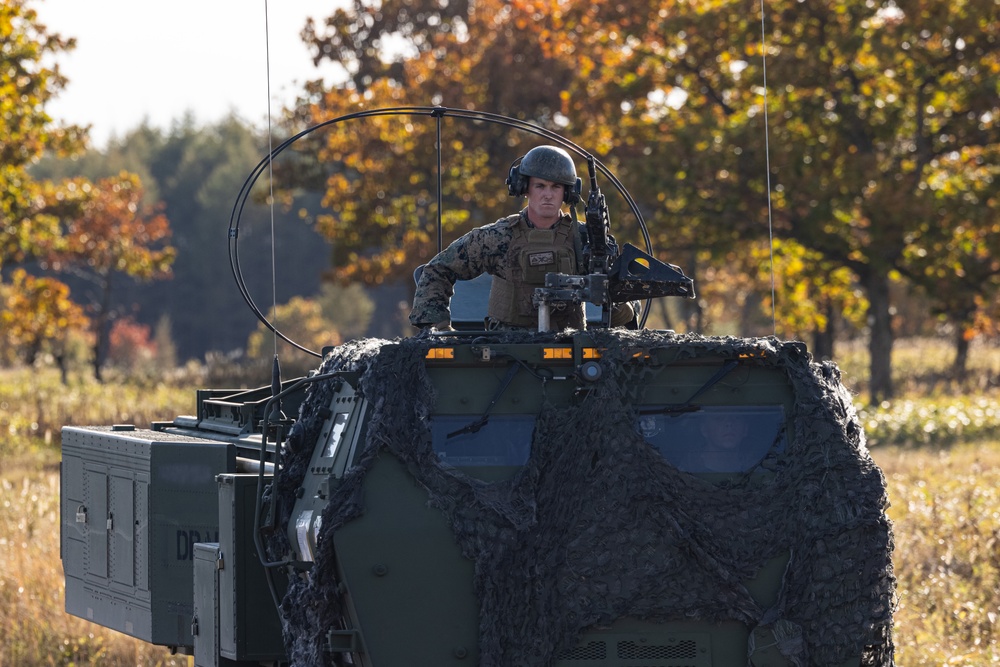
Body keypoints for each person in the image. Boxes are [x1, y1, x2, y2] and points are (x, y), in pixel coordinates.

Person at [409, 145, 636, 331]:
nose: (548, 194)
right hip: (505, 353)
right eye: (540, 186)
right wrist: (438, 327)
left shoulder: (587, 241)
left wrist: (615, 299)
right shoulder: (497, 238)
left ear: (567, 193)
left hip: (571, 351)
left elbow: (622, 297)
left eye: (556, 187)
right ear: (524, 188)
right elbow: (437, 269)